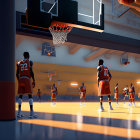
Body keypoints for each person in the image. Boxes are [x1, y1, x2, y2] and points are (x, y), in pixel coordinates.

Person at [16, 52, 37, 118]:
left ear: (23, 56)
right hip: (27, 79)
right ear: (28, 56)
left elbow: (17, 74)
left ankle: (19, 113)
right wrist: (34, 80)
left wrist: (19, 80)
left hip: (21, 79)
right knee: (30, 95)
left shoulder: (18, 63)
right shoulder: (30, 62)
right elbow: (31, 71)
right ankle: (31, 113)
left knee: (20, 96)